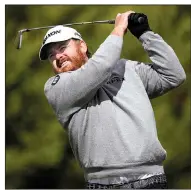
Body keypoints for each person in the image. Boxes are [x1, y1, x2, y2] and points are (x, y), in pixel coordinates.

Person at [39, 11, 186, 189]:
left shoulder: (126, 68)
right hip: (102, 184)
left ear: (83, 46)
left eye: (62, 48)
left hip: (151, 180)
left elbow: (173, 75)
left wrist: (145, 33)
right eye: (51, 55)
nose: (57, 56)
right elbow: (99, 68)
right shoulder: (56, 88)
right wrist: (119, 29)